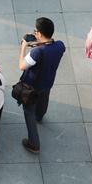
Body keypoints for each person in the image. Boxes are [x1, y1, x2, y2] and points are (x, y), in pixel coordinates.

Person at [17, 17, 65, 153]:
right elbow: (49, 49)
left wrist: (24, 47)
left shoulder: (37, 52)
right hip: (48, 81)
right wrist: (39, 44)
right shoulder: (60, 45)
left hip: (32, 87)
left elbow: (22, 66)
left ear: (38, 33)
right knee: (44, 100)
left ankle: (34, 143)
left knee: (28, 112)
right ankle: (40, 116)